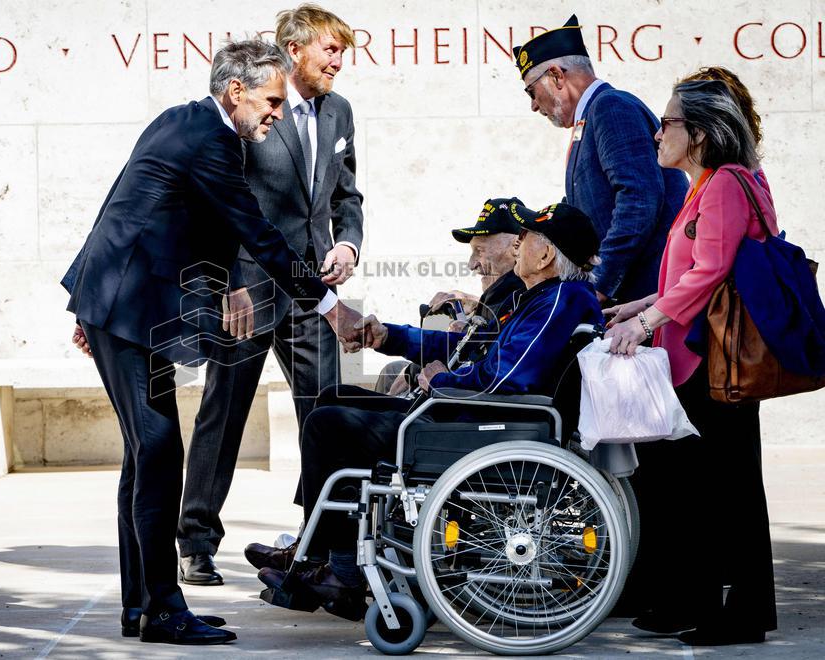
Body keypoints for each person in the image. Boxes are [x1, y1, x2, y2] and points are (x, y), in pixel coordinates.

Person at [60, 40, 364, 645]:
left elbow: (173, 210)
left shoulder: (182, 120)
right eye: (272, 101)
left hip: (118, 305)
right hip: (126, 307)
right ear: (236, 92)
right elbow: (250, 224)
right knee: (158, 449)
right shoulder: (214, 139)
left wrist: (87, 299)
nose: (279, 112)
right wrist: (330, 306)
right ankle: (164, 609)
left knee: (144, 454)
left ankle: (141, 605)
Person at [249, 201, 604, 619]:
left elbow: (503, 379)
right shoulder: (541, 297)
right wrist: (387, 338)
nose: (517, 246)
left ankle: (338, 572)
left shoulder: (558, 299)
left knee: (329, 425)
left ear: (545, 255)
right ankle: (319, 551)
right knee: (334, 399)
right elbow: (466, 349)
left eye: (524, 239)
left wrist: (441, 381)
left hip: (479, 428)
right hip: (474, 419)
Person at [177, 4, 363, 587]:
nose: (339, 62)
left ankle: (322, 541)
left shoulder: (341, 113)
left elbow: (348, 195)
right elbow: (220, 201)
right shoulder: (258, 105)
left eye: (342, 52)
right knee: (224, 411)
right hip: (250, 288)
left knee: (326, 412)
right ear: (295, 48)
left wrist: (349, 246)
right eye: (329, 50)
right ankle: (197, 540)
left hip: (313, 290)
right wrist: (229, 280)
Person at [605, 77, 778, 646]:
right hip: (693, 359)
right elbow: (692, 272)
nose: (658, 132)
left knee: (728, 490)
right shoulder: (704, 186)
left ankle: (744, 612)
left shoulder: (726, 183)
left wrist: (645, 324)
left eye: (669, 121)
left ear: (699, 133)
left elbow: (710, 274)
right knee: (698, 489)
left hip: (714, 361)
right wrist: (640, 303)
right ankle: (693, 600)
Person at [513, 15, 688, 305]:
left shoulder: (610, 106)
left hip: (643, 295)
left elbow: (639, 199)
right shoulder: (591, 117)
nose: (533, 105)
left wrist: (601, 285)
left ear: (557, 75)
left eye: (532, 91)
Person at [376, 197, 525, 396]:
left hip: (458, 400)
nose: (471, 264)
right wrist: (473, 303)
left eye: (479, 251)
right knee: (393, 370)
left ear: (515, 247)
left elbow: (482, 363)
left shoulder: (515, 299)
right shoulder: (502, 293)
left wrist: (418, 373)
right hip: (453, 385)